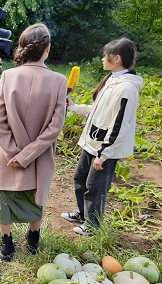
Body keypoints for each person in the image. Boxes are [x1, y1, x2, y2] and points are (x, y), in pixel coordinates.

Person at [0, 23, 67, 260]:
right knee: (37, 196)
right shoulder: (59, 80)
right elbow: (55, 128)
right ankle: (33, 239)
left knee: (4, 199)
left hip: (7, 154)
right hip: (40, 154)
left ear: (22, 48)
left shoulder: (8, 76)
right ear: (48, 48)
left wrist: (13, 152)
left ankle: (7, 245)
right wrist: (28, 155)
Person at [61, 37, 142, 236]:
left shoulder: (127, 88)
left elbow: (119, 124)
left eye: (104, 56)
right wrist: (74, 107)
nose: (101, 59)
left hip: (105, 148)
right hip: (91, 142)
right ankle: (82, 213)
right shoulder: (111, 80)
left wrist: (103, 154)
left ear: (116, 58)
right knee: (80, 179)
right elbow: (97, 110)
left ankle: (93, 225)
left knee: (95, 188)